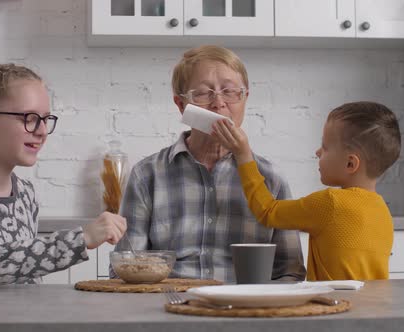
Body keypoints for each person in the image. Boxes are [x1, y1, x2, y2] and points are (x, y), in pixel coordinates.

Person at [0, 64, 127, 284]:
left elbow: (23, 272)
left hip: (17, 317)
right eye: (29, 117)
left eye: (46, 119)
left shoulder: (25, 193)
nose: (43, 131)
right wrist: (81, 239)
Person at [111, 45, 306, 283]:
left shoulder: (270, 178)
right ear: (181, 105)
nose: (219, 103)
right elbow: (126, 267)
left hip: (247, 311)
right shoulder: (147, 175)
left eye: (230, 91)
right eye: (203, 93)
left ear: (245, 98)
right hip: (169, 308)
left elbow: (290, 272)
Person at [211, 101, 401, 281]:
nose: (317, 152)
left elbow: (268, 211)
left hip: (337, 308)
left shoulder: (331, 203)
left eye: (325, 147)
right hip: (374, 308)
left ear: (350, 163)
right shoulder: (382, 212)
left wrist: (243, 155)